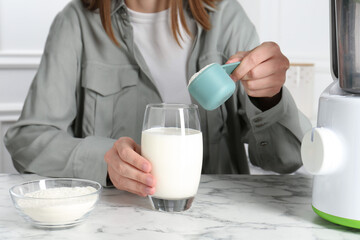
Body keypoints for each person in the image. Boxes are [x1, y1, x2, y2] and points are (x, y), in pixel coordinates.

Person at [4, 0, 311, 197]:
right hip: (116, 221)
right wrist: (105, 161)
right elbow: (28, 140)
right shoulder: (76, 23)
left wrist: (269, 98)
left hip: (218, 221)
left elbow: (286, 160)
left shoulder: (227, 17)